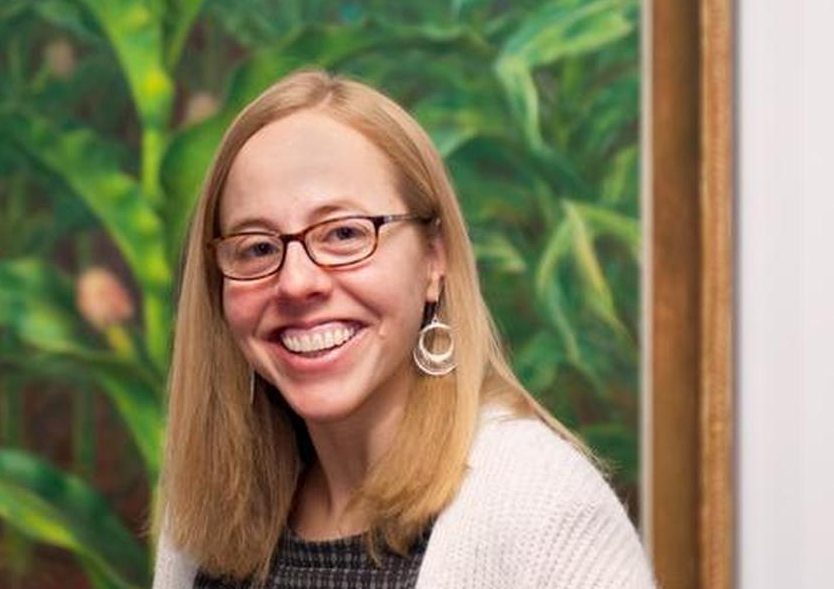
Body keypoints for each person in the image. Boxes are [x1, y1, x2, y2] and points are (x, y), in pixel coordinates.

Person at [152, 69, 656, 588]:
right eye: (257, 247)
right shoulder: (209, 510)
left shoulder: (537, 505)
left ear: (434, 260)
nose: (296, 282)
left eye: (345, 233)